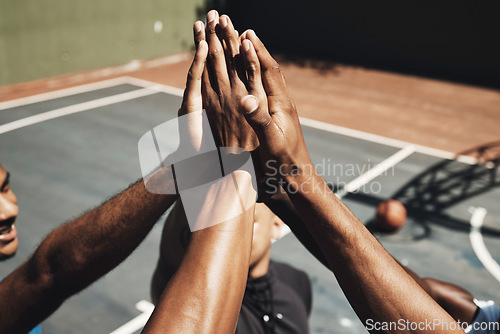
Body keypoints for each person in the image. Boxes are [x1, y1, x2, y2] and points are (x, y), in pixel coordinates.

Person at [200, 10, 465, 333]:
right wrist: (282, 189)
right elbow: (420, 297)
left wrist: (296, 175)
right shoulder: (481, 315)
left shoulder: (296, 285)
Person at [151, 201, 312, 333]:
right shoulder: (201, 296)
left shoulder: (297, 281)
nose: (228, 235)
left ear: (276, 225)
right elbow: (174, 245)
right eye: (218, 225)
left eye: (245, 222)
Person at [377, 200, 500, 334]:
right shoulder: (479, 316)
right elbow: (423, 290)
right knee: (428, 291)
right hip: (487, 321)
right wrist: (372, 248)